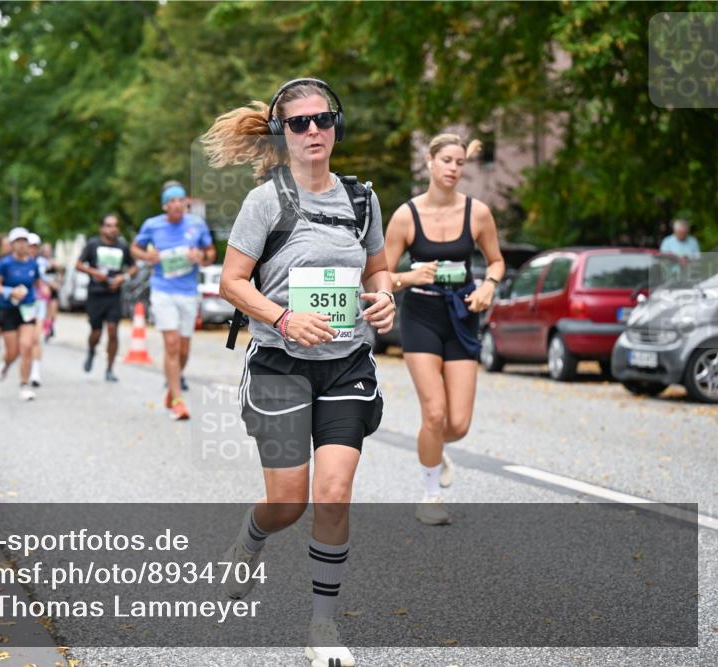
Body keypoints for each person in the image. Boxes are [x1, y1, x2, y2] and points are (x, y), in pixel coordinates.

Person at [204, 77, 395, 667]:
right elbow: (231, 283)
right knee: (287, 503)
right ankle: (252, 538)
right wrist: (284, 319)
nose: (313, 130)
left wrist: (385, 297)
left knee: (333, 494)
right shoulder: (265, 200)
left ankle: (323, 627)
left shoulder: (362, 199)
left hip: (346, 365)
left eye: (323, 119)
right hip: (280, 365)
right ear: (282, 132)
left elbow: (378, 268)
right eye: (299, 123)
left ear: (336, 124)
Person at [383, 132, 505, 526]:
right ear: (430, 161)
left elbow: (497, 261)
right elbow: (381, 274)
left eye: (459, 163)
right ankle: (430, 495)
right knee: (434, 413)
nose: (453, 168)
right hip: (421, 315)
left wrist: (489, 285)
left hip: (463, 315)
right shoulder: (406, 216)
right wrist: (410, 274)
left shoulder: (478, 213)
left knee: (458, 425)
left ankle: (433, 447)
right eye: (447, 161)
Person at [131, 182, 216, 419]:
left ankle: (172, 386)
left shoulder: (197, 225)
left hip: (188, 292)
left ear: (185, 202)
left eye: (181, 200)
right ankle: (178, 400)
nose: (177, 205)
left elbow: (210, 254)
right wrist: (147, 256)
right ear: (165, 206)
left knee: (184, 349)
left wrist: (201, 256)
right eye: (172, 201)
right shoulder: (152, 225)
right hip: (163, 290)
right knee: (172, 344)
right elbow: (134, 249)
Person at [77, 214, 137, 382]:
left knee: (113, 331)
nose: (113, 229)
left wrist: (122, 278)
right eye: (109, 225)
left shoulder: (122, 246)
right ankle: (91, 350)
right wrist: (95, 272)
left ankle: (109, 369)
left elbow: (133, 267)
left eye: (115, 225)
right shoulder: (93, 244)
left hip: (114, 294)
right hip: (95, 294)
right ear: (102, 228)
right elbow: (78, 264)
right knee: (96, 333)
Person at [0, 227, 42, 401]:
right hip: (8, 309)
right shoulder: (5, 264)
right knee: (13, 351)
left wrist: (42, 293)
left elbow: (37, 283)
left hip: (27, 309)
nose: (22, 245)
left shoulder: (33, 263)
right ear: (12, 244)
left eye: (24, 241)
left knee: (27, 346)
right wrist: (10, 291)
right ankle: (6, 364)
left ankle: (24, 385)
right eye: (18, 241)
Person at [28, 232, 47, 387]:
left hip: (38, 303)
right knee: (24, 342)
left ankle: (35, 372)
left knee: (36, 338)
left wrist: (46, 286)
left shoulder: (41, 263)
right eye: (29, 246)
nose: (31, 249)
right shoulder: (15, 262)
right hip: (22, 305)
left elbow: (43, 281)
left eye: (34, 246)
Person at [40, 242, 59, 341]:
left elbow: (59, 274)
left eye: (49, 250)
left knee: (54, 310)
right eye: (45, 250)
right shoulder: (41, 261)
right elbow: (41, 275)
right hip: (46, 288)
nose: (47, 252)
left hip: (54, 288)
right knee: (47, 311)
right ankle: (47, 331)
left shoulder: (53, 261)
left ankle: (51, 327)